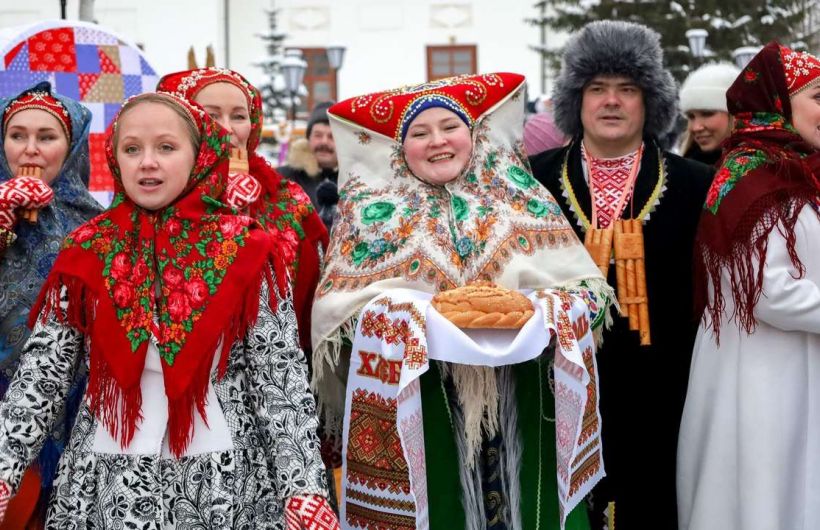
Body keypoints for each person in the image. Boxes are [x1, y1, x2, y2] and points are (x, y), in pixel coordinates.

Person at [0, 92, 338, 529]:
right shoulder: (87, 249)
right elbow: (43, 373)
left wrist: (303, 489)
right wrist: (5, 468)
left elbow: (279, 378)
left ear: (199, 156)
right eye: (132, 148)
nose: (147, 162)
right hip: (106, 483)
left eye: (166, 147)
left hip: (224, 483)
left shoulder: (247, 250)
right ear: (115, 158)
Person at [312, 73, 615, 529]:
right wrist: (411, 319)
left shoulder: (521, 200)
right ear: (399, 149)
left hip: (525, 392)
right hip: (425, 398)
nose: (438, 142)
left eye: (450, 127)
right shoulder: (369, 220)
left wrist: (550, 310)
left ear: (473, 136)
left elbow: (587, 293)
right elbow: (339, 316)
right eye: (419, 133)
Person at [528, 20, 714, 529]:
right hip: (554, 389)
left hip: (664, 395)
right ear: (576, 100)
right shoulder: (532, 179)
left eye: (627, 89)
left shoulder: (697, 184)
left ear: (649, 101)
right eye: (597, 89)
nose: (611, 102)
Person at [678, 42, 820, 530]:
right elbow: (766, 291)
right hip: (764, 375)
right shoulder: (754, 177)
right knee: (764, 493)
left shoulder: (796, 169)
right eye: (818, 97)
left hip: (795, 367)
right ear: (779, 101)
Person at [156, 68, 328, 352]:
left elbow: (318, 293)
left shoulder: (287, 200)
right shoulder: (158, 197)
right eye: (211, 115)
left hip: (280, 363)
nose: (228, 129)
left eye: (238, 116)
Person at [0, 81, 102, 528]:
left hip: (77, 402)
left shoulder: (96, 223)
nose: (30, 151)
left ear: (72, 145)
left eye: (47, 137)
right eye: (17, 135)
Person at [279, 102, 339, 228]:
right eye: (318, 135)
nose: (324, 142)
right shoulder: (283, 179)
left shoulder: (352, 181)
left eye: (331, 136)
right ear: (308, 138)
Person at [677, 62, 741, 166]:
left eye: (707, 114)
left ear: (735, 116)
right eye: (691, 116)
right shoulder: (680, 171)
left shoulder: (764, 172)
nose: (696, 127)